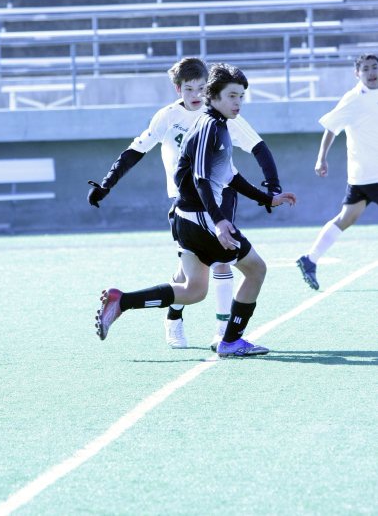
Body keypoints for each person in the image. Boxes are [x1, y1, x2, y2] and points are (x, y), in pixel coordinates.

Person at [95, 63, 296, 358]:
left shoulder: (221, 125)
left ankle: (121, 301)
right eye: (232, 96)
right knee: (256, 269)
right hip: (200, 217)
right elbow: (201, 178)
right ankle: (229, 340)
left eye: (241, 96)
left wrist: (266, 198)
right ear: (213, 96)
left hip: (187, 217)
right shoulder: (209, 127)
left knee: (194, 290)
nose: (238, 103)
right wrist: (218, 221)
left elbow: (228, 176)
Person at [297, 53, 378, 290]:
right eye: (366, 69)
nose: (372, 72)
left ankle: (309, 259)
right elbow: (331, 127)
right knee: (346, 219)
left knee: (346, 218)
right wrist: (321, 158)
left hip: (363, 176)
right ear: (357, 73)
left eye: (375, 67)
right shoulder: (353, 99)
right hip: (367, 173)